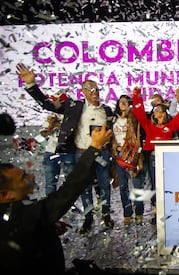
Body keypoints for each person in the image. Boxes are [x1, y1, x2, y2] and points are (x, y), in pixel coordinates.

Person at [16, 63, 116, 234]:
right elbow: (47, 105)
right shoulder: (74, 106)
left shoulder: (106, 110)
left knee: (104, 185)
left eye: (97, 89)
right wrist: (31, 85)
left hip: (102, 153)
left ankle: (106, 215)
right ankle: (88, 217)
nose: (95, 92)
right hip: (81, 153)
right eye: (90, 89)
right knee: (83, 187)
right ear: (83, 91)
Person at [0, 124, 112, 275]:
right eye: (23, 178)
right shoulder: (20, 216)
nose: (32, 176)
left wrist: (44, 229)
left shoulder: (16, 217)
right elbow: (68, 191)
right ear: (5, 195)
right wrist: (94, 147)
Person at [132, 86, 179, 223]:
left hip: (167, 159)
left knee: (167, 185)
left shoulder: (170, 126)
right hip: (152, 159)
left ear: (163, 113)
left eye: (157, 110)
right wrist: (137, 96)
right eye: (154, 109)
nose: (154, 111)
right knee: (156, 185)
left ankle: (168, 211)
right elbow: (138, 113)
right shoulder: (149, 126)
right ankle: (156, 212)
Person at [112, 95, 146, 225]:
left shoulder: (133, 119)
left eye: (126, 102)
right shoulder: (114, 119)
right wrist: (116, 148)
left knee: (137, 185)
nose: (123, 104)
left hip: (133, 155)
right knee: (123, 187)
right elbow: (112, 137)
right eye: (121, 102)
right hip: (119, 156)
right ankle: (127, 212)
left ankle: (139, 212)